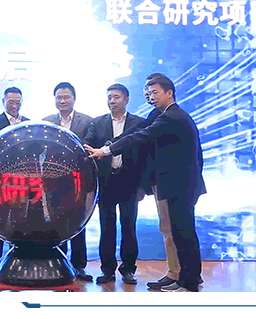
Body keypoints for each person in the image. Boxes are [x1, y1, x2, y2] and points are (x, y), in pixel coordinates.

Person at [85, 74, 206, 292]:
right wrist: (108, 146)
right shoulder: (159, 114)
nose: (151, 97)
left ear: (170, 93)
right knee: (176, 232)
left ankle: (189, 282)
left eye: (155, 92)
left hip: (182, 184)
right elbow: (134, 131)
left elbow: (140, 137)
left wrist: (106, 151)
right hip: (173, 183)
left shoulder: (173, 117)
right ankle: (180, 275)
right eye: (148, 94)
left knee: (183, 233)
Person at [83, 84, 145, 285]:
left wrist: (142, 186)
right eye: (109, 97)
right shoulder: (98, 123)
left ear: (126, 99)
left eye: (116, 97)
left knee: (129, 228)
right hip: (106, 182)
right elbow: (88, 145)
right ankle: (107, 270)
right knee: (107, 228)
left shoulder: (138, 123)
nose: (112, 101)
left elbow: (145, 157)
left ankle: (128, 270)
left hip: (129, 182)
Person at [42, 82, 94, 282]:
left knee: (78, 222)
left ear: (74, 98)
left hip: (78, 181)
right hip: (53, 180)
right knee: (56, 221)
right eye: (59, 97)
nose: (62, 101)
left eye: (66, 97)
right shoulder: (47, 122)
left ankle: (79, 266)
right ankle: (59, 263)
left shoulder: (87, 121)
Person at [0, 87, 30, 273]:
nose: (14, 105)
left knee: (21, 219)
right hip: (2, 179)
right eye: (11, 102)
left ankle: (18, 261)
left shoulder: (28, 122)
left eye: (17, 102)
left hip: (22, 180)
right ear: (3, 102)